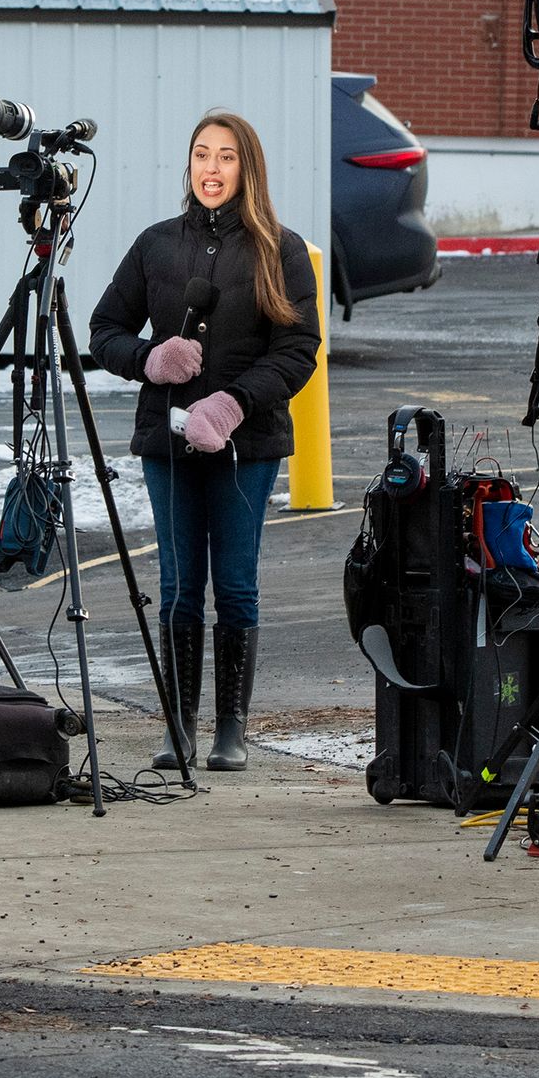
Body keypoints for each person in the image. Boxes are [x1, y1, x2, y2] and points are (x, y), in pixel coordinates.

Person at [91, 109, 322, 772]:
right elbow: (104, 328)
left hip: (246, 446)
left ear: (246, 168)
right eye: (201, 155)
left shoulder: (282, 248)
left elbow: (299, 349)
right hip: (167, 444)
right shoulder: (156, 245)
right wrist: (148, 359)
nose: (212, 169)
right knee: (178, 583)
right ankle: (177, 725)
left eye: (225, 157)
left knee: (237, 584)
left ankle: (231, 729)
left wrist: (233, 403)